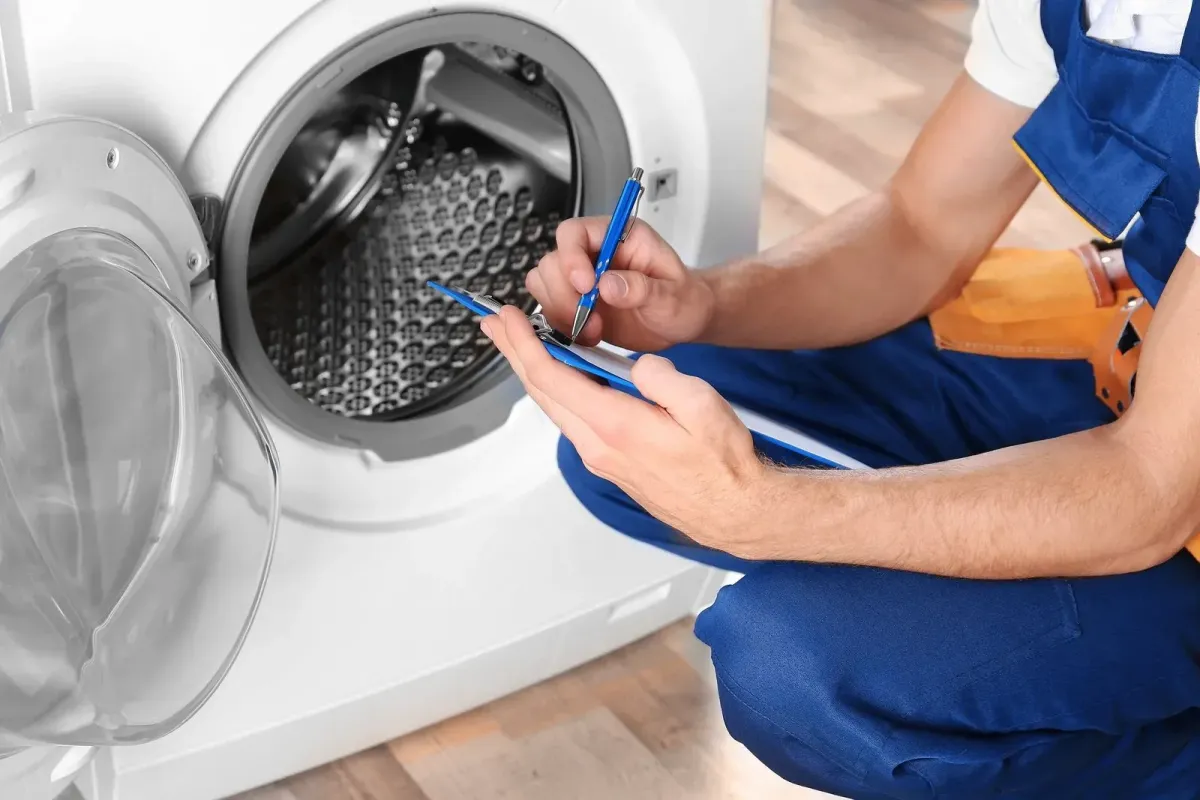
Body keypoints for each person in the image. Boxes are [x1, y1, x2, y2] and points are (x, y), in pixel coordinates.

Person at [481, 0, 1200, 796]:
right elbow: (920, 223)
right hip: (1138, 351)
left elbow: (1149, 489)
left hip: (1163, 474)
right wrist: (703, 304)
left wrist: (772, 512)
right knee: (626, 442)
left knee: (799, 673)